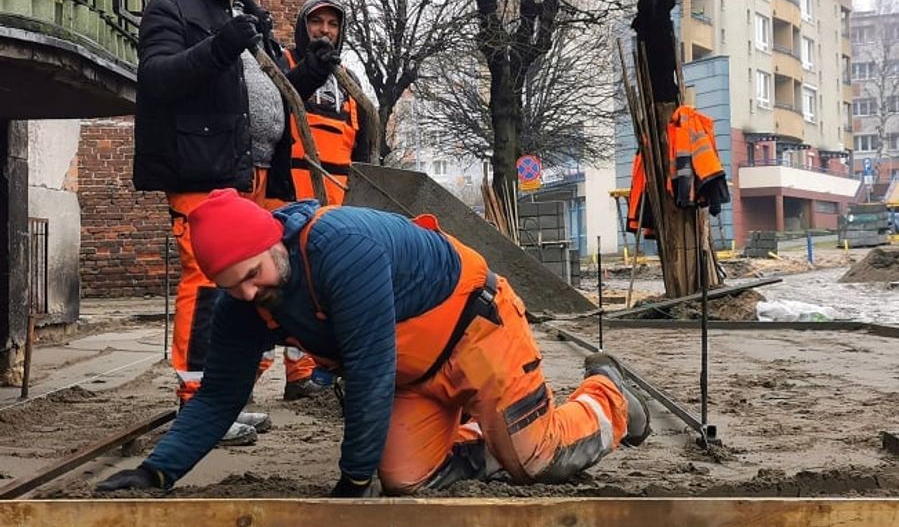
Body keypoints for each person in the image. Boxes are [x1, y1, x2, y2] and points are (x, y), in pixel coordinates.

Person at [95, 189, 651, 496]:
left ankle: (608, 396)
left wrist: (352, 479)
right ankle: (488, 432)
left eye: (252, 273)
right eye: (229, 286)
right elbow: (218, 397)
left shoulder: (340, 248)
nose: (246, 292)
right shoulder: (243, 304)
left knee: (537, 461)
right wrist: (157, 472)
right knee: (407, 479)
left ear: (271, 242)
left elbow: (368, 369)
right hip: (415, 374)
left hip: (477, 334)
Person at [132, 0, 337, 443]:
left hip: (257, 174)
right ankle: (197, 401)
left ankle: (229, 395)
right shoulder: (172, 7)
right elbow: (157, 78)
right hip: (204, 170)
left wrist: (310, 72)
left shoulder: (244, 14)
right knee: (207, 281)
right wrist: (223, 43)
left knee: (256, 284)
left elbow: (267, 91)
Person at [273, 0, 370, 401]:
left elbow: (362, 142)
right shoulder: (284, 65)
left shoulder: (348, 80)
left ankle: (324, 368)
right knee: (292, 284)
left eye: (332, 24)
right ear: (303, 27)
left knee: (331, 287)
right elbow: (277, 107)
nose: (324, 31)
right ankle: (296, 373)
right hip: (292, 198)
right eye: (317, 23)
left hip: (339, 200)